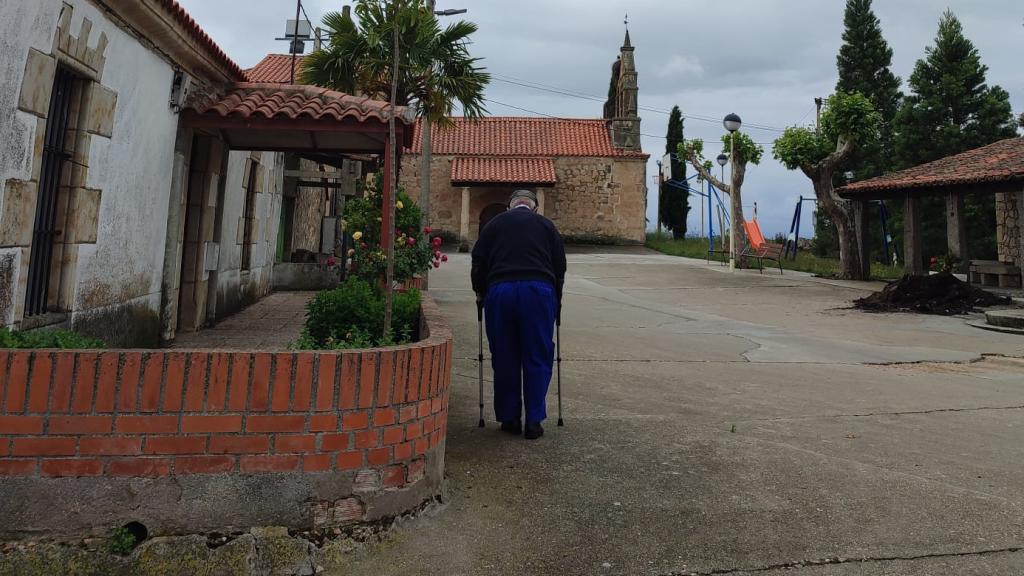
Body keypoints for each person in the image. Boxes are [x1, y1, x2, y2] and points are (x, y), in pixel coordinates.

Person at [471, 190, 566, 440]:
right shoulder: (546, 225)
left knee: (504, 355)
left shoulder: (494, 224)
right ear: (534, 208)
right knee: (538, 355)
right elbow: (559, 265)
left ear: (509, 208)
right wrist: (557, 301)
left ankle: (509, 418)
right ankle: (534, 421)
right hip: (538, 290)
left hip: (500, 290)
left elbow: (478, 260)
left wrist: (480, 293)